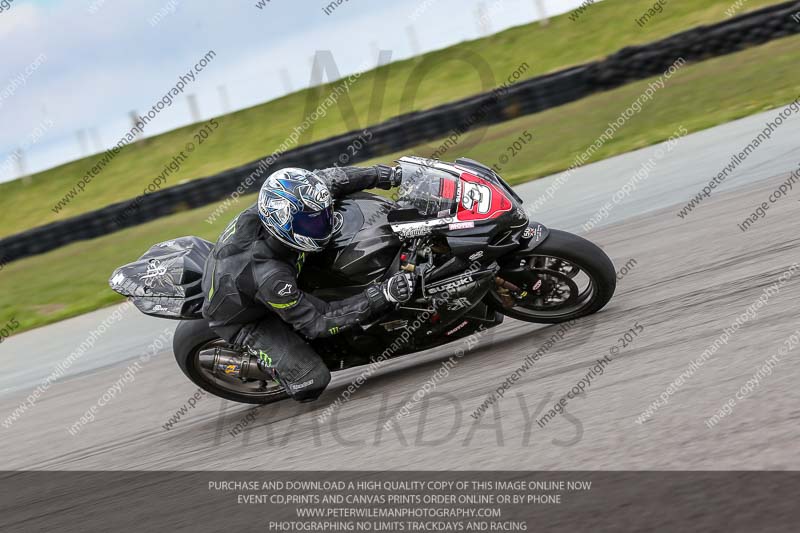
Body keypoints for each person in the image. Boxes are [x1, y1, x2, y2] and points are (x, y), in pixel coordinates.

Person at [201, 164, 414, 402]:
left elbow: (335, 178)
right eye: (312, 223)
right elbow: (318, 321)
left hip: (245, 271)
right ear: (284, 227)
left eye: (323, 215)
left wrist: (389, 174)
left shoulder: (290, 203)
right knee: (311, 380)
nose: (323, 224)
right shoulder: (270, 277)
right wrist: (381, 296)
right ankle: (262, 365)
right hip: (246, 318)